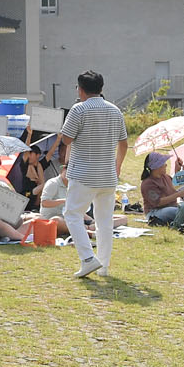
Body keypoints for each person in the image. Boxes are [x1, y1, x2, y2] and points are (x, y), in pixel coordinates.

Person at [53, 70, 128, 278]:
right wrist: (118, 166)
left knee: (72, 214)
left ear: (81, 90)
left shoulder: (78, 109)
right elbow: (123, 143)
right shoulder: (115, 110)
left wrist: (62, 130)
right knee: (104, 221)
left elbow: (66, 140)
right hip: (107, 175)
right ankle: (103, 266)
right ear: (101, 88)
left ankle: (88, 259)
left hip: (83, 174)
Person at [140, 152, 184, 229]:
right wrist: (178, 194)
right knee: (181, 211)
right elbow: (158, 202)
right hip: (155, 212)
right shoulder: (148, 183)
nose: (166, 165)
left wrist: (177, 170)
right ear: (156, 167)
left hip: (173, 207)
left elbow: (176, 187)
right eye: (163, 163)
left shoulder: (166, 177)